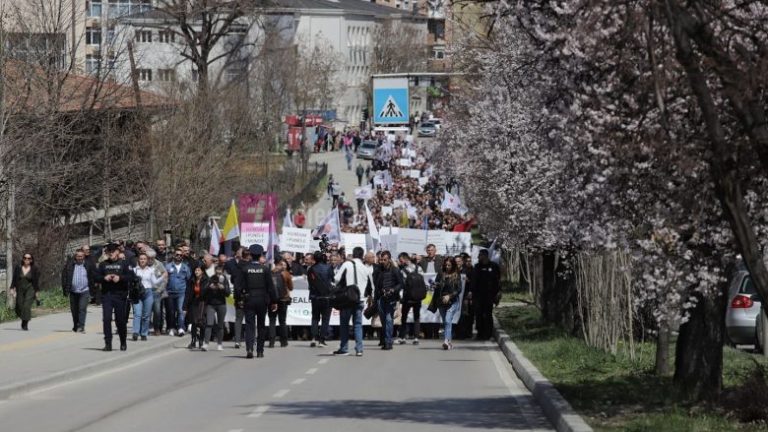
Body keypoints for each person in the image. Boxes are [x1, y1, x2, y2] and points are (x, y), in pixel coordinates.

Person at [234, 244, 278, 359]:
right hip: (262, 300)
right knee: (261, 325)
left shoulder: (244, 269)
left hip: (249, 299)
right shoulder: (265, 269)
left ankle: (249, 348)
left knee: (250, 325)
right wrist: (274, 301)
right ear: (260, 255)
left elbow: (237, 287)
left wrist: (238, 299)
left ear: (250, 255)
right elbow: (271, 287)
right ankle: (260, 351)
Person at [334, 247, 371, 357]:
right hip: (360, 300)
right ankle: (359, 349)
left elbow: (336, 279)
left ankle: (344, 348)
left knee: (345, 324)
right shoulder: (366, 268)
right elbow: (371, 285)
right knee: (358, 325)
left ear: (353, 254)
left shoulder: (346, 264)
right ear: (362, 255)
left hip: (347, 299)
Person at [96, 244, 133, 351]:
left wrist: (120, 278)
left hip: (120, 295)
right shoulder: (103, 264)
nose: (111, 253)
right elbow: (96, 277)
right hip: (107, 295)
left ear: (118, 251)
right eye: (109, 251)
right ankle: (108, 344)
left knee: (120, 320)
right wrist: (104, 278)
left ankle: (123, 341)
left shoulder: (125, 264)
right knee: (106, 319)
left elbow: (131, 277)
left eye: (113, 251)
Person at [372, 250, 403, 351]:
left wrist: (393, 290)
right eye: (381, 259)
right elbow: (375, 284)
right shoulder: (378, 270)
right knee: (383, 320)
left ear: (389, 259)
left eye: (384, 260)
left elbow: (401, 284)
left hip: (391, 298)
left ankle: (388, 341)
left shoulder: (395, 270)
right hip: (380, 298)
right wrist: (379, 293)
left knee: (389, 319)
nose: (382, 261)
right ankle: (385, 340)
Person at [61, 249, 96, 333]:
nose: (79, 258)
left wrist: (94, 288)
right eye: (78, 256)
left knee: (82, 308)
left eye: (81, 256)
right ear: (75, 257)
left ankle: (81, 326)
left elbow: (93, 276)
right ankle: (76, 325)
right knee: (74, 310)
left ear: (83, 256)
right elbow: (64, 277)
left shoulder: (88, 265)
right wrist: (65, 289)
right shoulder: (70, 265)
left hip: (84, 291)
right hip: (73, 291)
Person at [470, 249, 501, 340]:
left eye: (480, 255)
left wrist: (498, 292)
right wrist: (471, 292)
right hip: (478, 296)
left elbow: (498, 281)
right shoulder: (477, 267)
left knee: (488, 314)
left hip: (490, 295)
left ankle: (488, 333)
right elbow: (473, 281)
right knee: (478, 314)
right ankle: (480, 333)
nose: (478, 257)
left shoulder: (494, 266)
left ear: (485, 256)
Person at [132, 253, 162, 341]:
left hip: (148, 293)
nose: (142, 260)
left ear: (147, 260)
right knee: (137, 314)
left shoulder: (151, 270)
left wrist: (162, 277)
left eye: (144, 259)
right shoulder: (134, 270)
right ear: (138, 260)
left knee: (146, 315)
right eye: (141, 259)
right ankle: (135, 332)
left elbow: (154, 282)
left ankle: (144, 333)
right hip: (137, 294)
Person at [434, 258, 462, 350]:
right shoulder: (441, 273)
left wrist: (449, 296)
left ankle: (446, 341)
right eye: (446, 265)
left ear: (453, 265)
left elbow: (459, 289)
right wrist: (435, 285)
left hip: (452, 301)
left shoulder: (456, 275)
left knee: (447, 319)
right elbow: (436, 284)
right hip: (442, 301)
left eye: (449, 265)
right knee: (446, 322)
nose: (447, 267)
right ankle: (449, 342)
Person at [306, 251, 333, 347]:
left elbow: (310, 283)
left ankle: (313, 338)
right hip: (326, 297)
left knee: (315, 317)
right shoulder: (329, 267)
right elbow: (332, 280)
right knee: (325, 319)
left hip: (315, 297)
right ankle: (322, 340)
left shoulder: (311, 269)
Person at [165, 248, 192, 336]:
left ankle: (181, 327)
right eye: (177, 254)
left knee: (180, 310)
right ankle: (172, 328)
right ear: (174, 255)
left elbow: (188, 279)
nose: (179, 256)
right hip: (170, 292)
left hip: (181, 292)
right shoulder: (168, 266)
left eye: (180, 255)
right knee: (171, 311)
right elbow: (164, 279)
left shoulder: (186, 267)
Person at [203, 265, 231, 351]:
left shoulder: (224, 279)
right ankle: (206, 344)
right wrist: (209, 287)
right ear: (215, 271)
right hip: (211, 305)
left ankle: (219, 344)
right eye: (217, 270)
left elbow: (228, 293)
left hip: (221, 304)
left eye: (220, 271)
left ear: (222, 271)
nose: (218, 272)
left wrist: (222, 288)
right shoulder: (211, 278)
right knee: (209, 324)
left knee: (220, 325)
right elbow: (204, 290)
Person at [11, 253, 40, 331]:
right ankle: (24, 318)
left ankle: (25, 322)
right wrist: (12, 288)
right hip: (20, 288)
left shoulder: (34, 269)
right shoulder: (18, 267)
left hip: (30, 289)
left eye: (29, 258)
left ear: (31, 260)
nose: (27, 260)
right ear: (23, 259)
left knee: (26, 306)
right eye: (25, 258)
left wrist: (37, 292)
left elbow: (36, 282)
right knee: (19, 306)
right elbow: (14, 278)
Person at [397, 252, 422, 345]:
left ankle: (402, 337)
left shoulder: (403, 271)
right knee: (416, 316)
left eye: (401, 260)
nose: (400, 262)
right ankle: (416, 337)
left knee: (404, 317)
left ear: (405, 259)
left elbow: (402, 284)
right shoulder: (418, 268)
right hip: (417, 297)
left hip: (407, 297)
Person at [268, 258, 293, 348]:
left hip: (272, 300)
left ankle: (271, 341)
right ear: (280, 264)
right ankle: (284, 341)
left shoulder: (270, 273)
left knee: (272, 320)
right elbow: (291, 287)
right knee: (282, 321)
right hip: (283, 299)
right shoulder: (286, 273)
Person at [183, 265, 208, 350]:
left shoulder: (206, 280)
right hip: (194, 303)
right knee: (194, 322)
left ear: (202, 271)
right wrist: (185, 307)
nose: (196, 272)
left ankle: (201, 340)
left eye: (198, 270)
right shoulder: (191, 280)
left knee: (202, 323)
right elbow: (187, 294)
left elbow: (206, 292)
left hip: (203, 303)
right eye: (195, 270)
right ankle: (193, 341)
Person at [146, 249, 168, 336]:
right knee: (146, 311)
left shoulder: (159, 264)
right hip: (146, 291)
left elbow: (165, 278)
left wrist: (160, 289)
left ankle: (156, 328)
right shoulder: (143, 264)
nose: (150, 259)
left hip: (156, 291)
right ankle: (145, 328)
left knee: (157, 311)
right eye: (149, 258)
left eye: (152, 258)